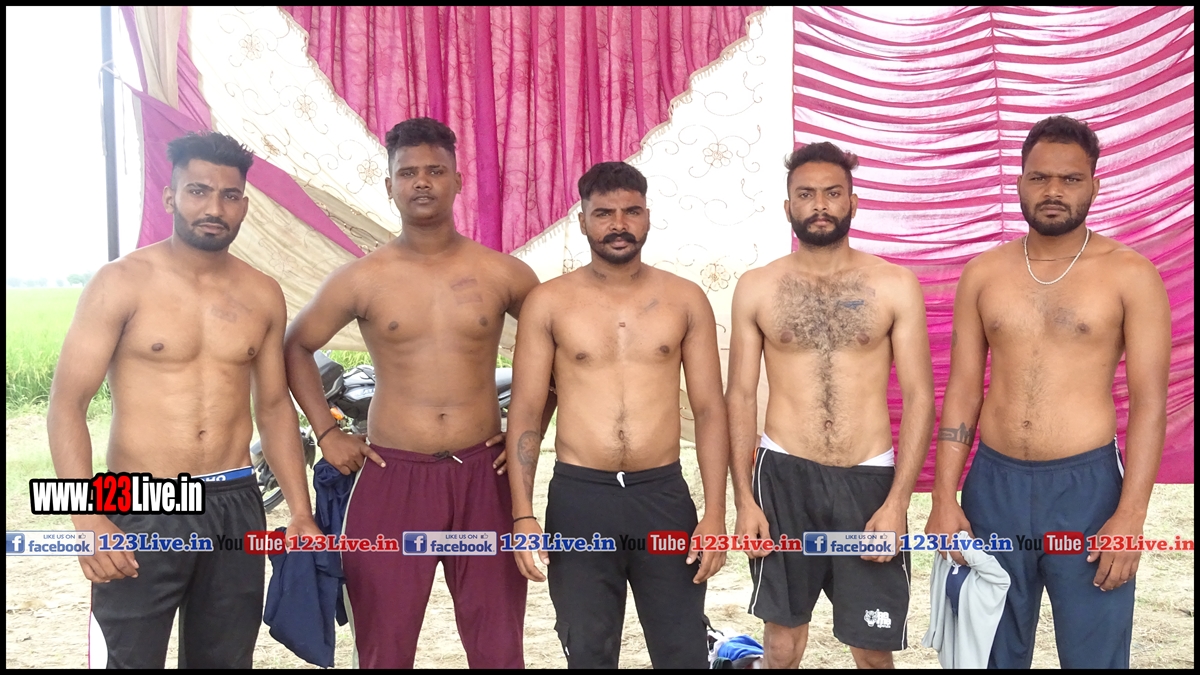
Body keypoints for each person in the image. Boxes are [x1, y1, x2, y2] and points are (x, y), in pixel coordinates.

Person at [47, 131, 321, 668]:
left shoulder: (262, 292)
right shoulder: (120, 282)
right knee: (128, 658)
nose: (214, 208)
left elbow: (272, 408)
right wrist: (87, 520)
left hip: (235, 499)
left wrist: (301, 511)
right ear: (171, 197)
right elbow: (66, 405)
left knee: (225, 659)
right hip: (143, 500)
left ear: (244, 205)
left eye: (230, 195)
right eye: (198, 191)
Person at [282, 117, 547, 669]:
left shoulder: (503, 273)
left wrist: (528, 434)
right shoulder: (362, 278)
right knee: (385, 643)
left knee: (498, 644)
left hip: (483, 476)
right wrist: (327, 432)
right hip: (392, 475)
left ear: (458, 180)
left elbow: (562, 352)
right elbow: (295, 346)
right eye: (407, 173)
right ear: (389, 185)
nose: (422, 182)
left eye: (435, 171)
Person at [924, 115, 1170, 669]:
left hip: (1087, 491)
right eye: (1039, 178)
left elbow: (1150, 404)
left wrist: (1131, 515)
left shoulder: (1130, 274)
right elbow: (963, 391)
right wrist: (943, 497)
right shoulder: (984, 273)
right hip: (994, 487)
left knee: (1094, 653)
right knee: (988, 649)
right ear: (1019, 182)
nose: (1053, 191)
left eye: (1070, 179)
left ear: (1094, 185)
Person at [505, 161, 731, 669]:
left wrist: (716, 513)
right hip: (581, 497)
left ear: (648, 216)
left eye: (631, 211)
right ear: (582, 221)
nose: (619, 224)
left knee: (682, 649)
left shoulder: (683, 299)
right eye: (604, 213)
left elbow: (709, 409)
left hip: (662, 495)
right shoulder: (549, 302)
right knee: (588, 650)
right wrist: (522, 514)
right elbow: (525, 412)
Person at [725, 141, 935, 668]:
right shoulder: (757, 287)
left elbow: (919, 395)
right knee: (781, 643)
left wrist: (898, 502)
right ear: (788, 207)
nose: (819, 205)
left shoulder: (894, 284)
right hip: (783, 474)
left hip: (868, 480)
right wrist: (744, 499)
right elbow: (741, 395)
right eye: (806, 194)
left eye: (832, 193)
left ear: (853, 202)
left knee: (872, 649)